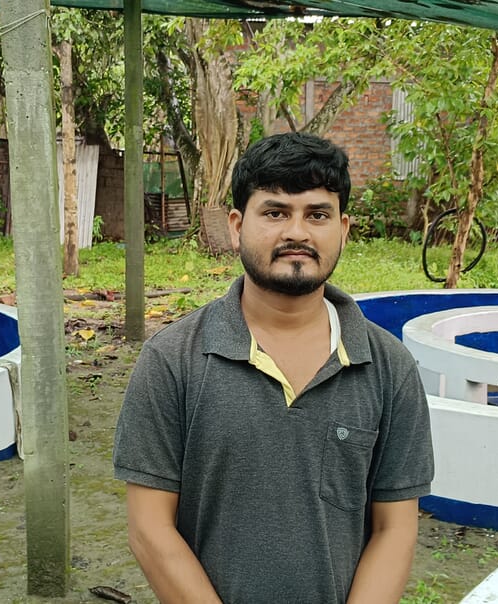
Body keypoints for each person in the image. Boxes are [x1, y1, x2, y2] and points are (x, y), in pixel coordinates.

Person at [113, 132, 434, 603]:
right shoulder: (172, 360)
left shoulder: (389, 368)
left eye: (317, 215)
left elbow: (395, 530)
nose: (297, 233)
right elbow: (149, 528)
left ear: (343, 228)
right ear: (237, 224)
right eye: (275, 212)